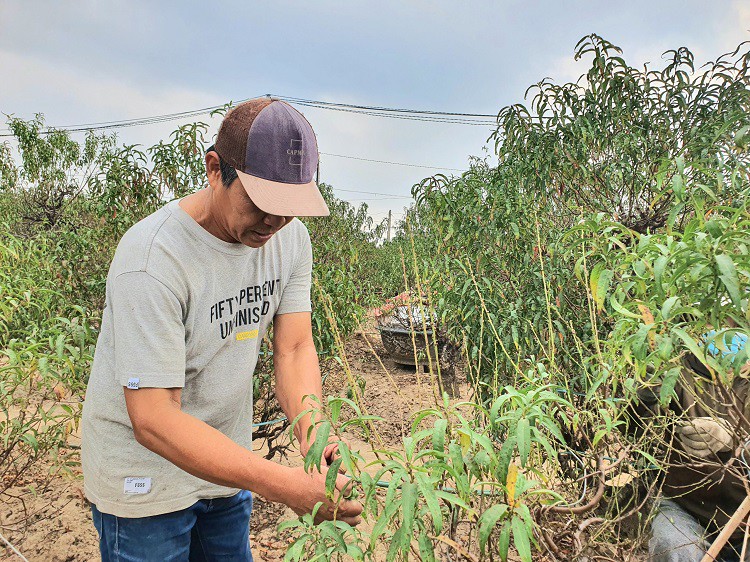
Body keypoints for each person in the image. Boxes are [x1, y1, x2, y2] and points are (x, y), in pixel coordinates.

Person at [81, 97, 363, 561]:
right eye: (261, 202)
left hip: (225, 466)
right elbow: (153, 418)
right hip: (143, 479)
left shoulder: (288, 240)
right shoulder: (153, 260)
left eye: (289, 207)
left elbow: (293, 349)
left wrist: (316, 440)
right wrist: (286, 487)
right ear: (215, 169)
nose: (274, 222)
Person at [633, 332, 750, 562]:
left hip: (744, 512)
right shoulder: (676, 373)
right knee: (674, 548)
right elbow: (636, 430)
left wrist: (732, 441)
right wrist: (644, 397)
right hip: (686, 508)